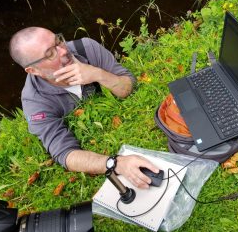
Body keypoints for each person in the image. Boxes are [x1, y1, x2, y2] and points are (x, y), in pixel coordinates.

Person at [9, 27, 158, 189]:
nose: (63, 51)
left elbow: (127, 86)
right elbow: (66, 155)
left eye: (58, 41)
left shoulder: (86, 48)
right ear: (33, 70)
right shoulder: (35, 101)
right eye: (50, 53)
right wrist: (116, 163)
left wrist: (98, 74)